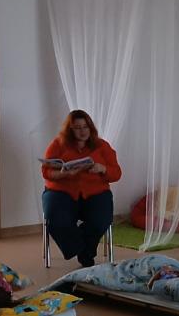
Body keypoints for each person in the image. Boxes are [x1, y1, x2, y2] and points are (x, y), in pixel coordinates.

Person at [42, 109, 121, 268]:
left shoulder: (102, 145)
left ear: (91, 128)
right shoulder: (57, 144)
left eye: (85, 127)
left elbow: (116, 173)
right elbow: (46, 172)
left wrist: (102, 168)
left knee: (100, 220)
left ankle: (85, 253)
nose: (82, 131)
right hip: (61, 192)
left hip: (95, 192)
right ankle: (82, 249)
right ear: (69, 130)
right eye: (77, 128)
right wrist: (65, 173)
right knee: (57, 219)